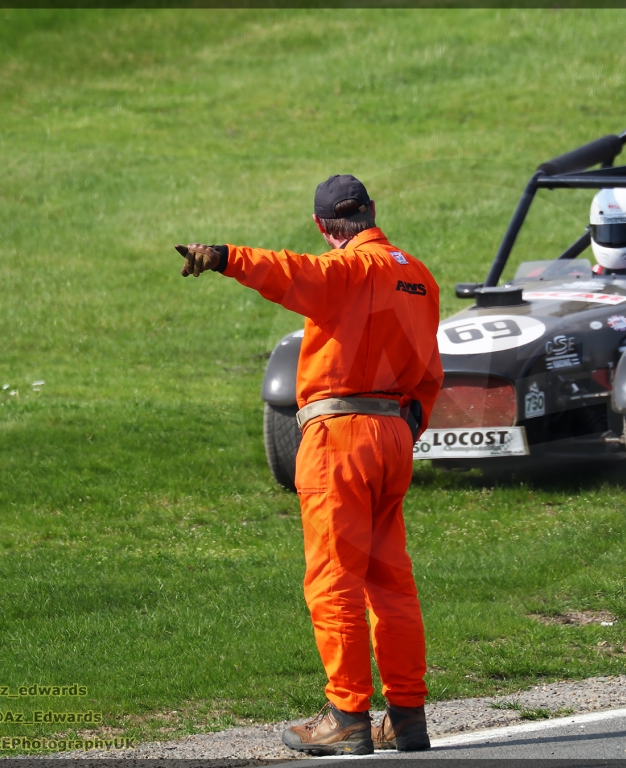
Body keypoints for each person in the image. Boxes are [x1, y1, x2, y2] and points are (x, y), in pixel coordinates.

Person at [175, 174, 443, 756]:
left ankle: (347, 714)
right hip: (395, 434)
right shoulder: (418, 275)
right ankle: (406, 716)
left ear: (325, 228)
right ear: (372, 212)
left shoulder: (343, 271)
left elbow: (286, 271)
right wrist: (402, 426)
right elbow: (429, 374)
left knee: (335, 579)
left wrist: (221, 257)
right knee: (390, 582)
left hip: (339, 436)